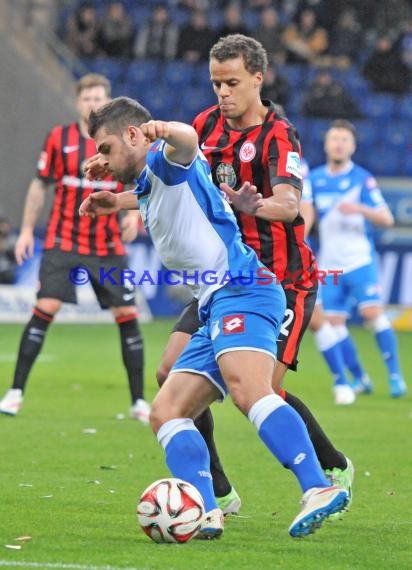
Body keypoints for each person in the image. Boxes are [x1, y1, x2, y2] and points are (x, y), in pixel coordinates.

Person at [79, 96, 349, 539]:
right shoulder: (151, 179)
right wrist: (113, 199)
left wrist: (163, 128)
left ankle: (318, 486)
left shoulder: (169, 158)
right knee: (166, 411)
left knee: (250, 391)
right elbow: (148, 191)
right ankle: (205, 509)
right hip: (215, 301)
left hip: (243, 289)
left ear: (134, 135)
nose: (101, 158)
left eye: (106, 148)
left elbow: (185, 142)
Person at [157, 35, 354, 515]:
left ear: (258, 80)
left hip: (283, 282)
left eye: (232, 83)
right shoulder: (204, 126)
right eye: (216, 83)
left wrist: (256, 205)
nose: (222, 93)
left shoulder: (279, 135)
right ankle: (219, 493)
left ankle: (332, 467)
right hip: (223, 278)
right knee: (169, 373)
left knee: (261, 389)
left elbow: (289, 205)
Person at [0, 74, 150, 423]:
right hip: (63, 240)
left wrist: (135, 218)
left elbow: (142, 183)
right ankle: (15, 393)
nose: (92, 104)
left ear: (109, 101)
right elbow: (40, 186)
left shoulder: (121, 141)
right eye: (86, 98)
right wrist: (25, 231)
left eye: (99, 98)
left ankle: (139, 401)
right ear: (77, 102)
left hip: (107, 245)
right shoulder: (59, 139)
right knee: (45, 308)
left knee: (126, 316)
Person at [310, 119, 407, 398]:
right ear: (327, 144)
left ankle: (395, 376)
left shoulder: (362, 178)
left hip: (359, 260)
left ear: (352, 146)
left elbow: (387, 219)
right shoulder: (314, 179)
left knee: (371, 313)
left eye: (344, 139)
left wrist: (361, 209)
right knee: (333, 323)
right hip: (329, 264)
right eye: (334, 138)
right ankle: (360, 378)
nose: (338, 144)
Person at [300, 159, 356, 405]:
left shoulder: (292, 159)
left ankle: (342, 381)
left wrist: (294, 243)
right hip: (247, 250)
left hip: (289, 251)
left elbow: (306, 207)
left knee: (315, 318)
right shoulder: (230, 152)